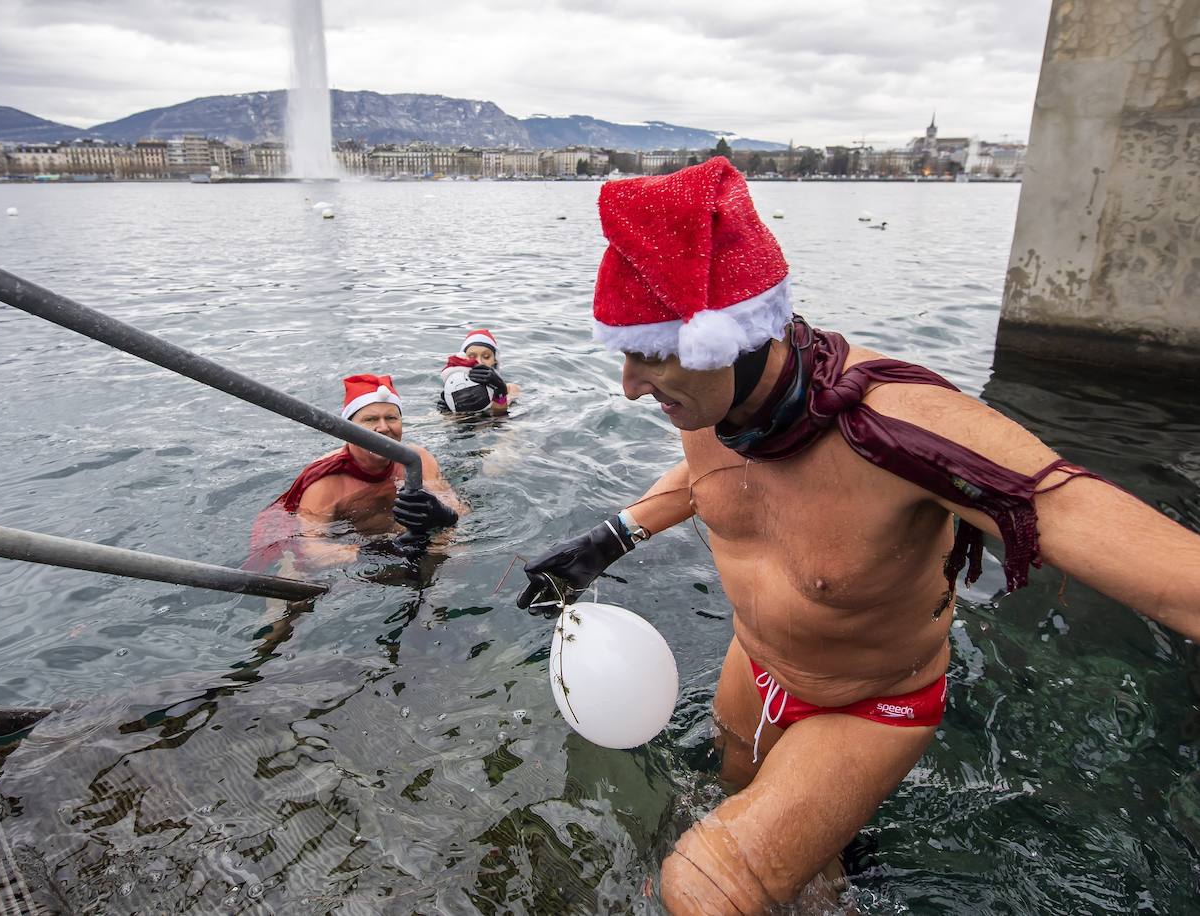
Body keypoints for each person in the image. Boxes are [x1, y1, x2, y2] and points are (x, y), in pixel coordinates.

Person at [514, 157, 1200, 914]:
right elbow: (716, 482)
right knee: (740, 811)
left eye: (650, 354)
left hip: (869, 705)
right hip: (754, 667)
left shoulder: (903, 429)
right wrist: (612, 536)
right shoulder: (710, 402)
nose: (630, 388)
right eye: (627, 352)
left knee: (703, 883)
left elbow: (1080, 517)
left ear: (732, 338)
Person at [246, 373, 462, 573]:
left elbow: (458, 509)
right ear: (347, 429)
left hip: (406, 544)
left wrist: (443, 514)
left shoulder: (419, 459)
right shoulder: (326, 483)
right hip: (356, 559)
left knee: (456, 555)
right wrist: (374, 553)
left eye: (391, 418)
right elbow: (311, 549)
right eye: (370, 420)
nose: (383, 428)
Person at [438, 329, 521, 415]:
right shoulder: (454, 388)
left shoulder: (510, 389)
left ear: (495, 360)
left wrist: (500, 392)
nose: (479, 362)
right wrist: (446, 410)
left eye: (486, 356)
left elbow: (500, 414)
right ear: (464, 359)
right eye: (472, 357)